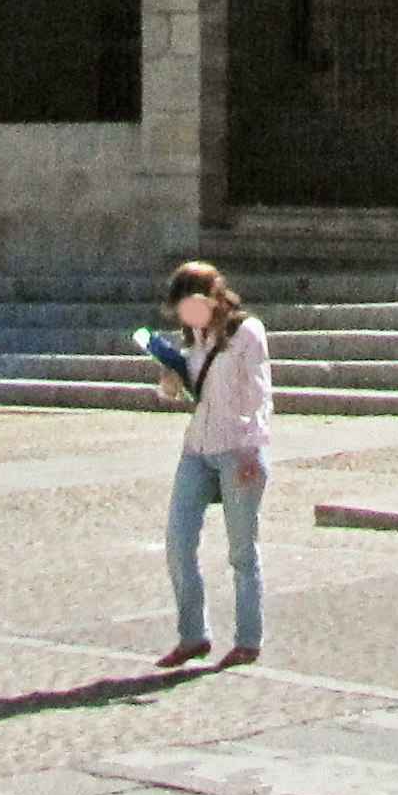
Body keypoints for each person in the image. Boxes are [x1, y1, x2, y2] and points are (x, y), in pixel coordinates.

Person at [146, 261, 270, 669]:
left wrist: (253, 448)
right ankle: (193, 635)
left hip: (237, 449)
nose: (185, 315)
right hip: (197, 448)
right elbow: (184, 393)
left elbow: (260, 395)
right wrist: (169, 383)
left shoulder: (246, 333)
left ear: (212, 296)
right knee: (178, 544)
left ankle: (248, 639)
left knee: (241, 550)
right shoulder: (193, 341)